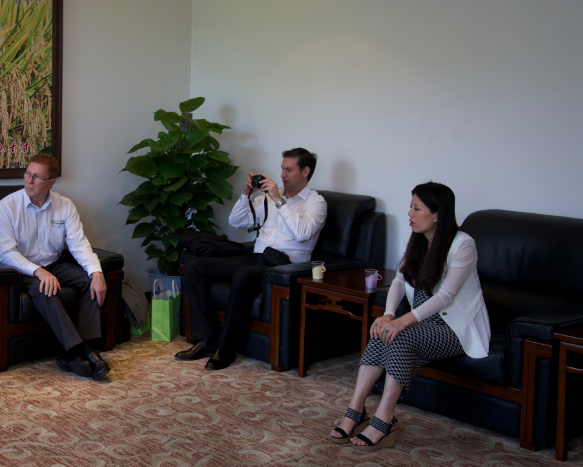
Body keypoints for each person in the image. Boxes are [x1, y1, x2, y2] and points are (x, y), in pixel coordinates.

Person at [327, 182, 490, 451]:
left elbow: (445, 297)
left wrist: (401, 322)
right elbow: (399, 281)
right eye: (410, 207)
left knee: (400, 335)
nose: (410, 214)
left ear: (437, 214)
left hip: (453, 328)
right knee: (381, 331)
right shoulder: (414, 238)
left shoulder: (463, 245)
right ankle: (355, 410)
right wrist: (389, 315)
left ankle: (384, 419)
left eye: (417, 208)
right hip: (421, 323)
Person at [177, 148, 327, 370]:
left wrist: (279, 201)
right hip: (256, 257)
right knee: (194, 266)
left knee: (243, 275)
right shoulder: (268, 198)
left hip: (284, 265)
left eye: (288, 170)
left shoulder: (316, 202)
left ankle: (226, 349)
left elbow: (302, 233)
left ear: (305, 171)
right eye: (282, 169)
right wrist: (246, 194)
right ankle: (207, 340)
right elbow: (237, 221)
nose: (282, 175)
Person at [0, 154, 111, 380]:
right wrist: (38, 272)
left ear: (51, 182)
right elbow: (6, 253)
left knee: (90, 281)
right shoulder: (6, 207)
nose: (29, 180)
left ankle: (79, 351)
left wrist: (96, 272)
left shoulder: (64, 206)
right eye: (28, 173)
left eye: (36, 177)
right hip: (20, 269)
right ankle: (82, 351)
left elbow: (78, 244)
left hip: (54, 263)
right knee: (44, 288)